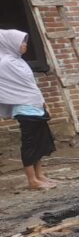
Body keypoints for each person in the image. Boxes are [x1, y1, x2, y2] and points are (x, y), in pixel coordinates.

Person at [0, 29, 58, 190]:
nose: (25, 45)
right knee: (30, 145)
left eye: (25, 41)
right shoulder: (5, 63)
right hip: (24, 109)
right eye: (21, 42)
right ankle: (32, 180)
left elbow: (31, 86)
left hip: (36, 106)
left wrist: (44, 103)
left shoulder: (19, 61)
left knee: (40, 143)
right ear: (11, 43)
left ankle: (40, 175)